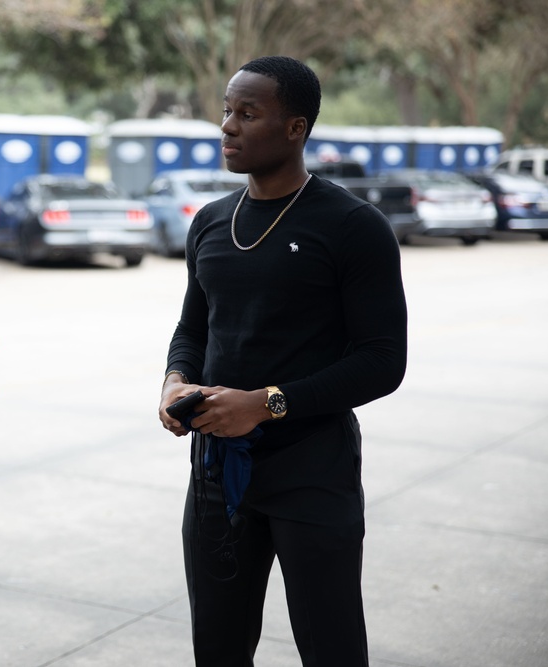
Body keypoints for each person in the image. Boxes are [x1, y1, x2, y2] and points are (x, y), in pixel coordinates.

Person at [159, 56, 408, 667]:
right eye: (226, 111)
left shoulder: (352, 226)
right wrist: (174, 383)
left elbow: (383, 361)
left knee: (331, 647)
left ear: (296, 128)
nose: (228, 126)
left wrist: (266, 404)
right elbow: (193, 327)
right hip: (218, 477)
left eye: (248, 113)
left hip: (312, 473)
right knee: (217, 648)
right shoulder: (211, 222)